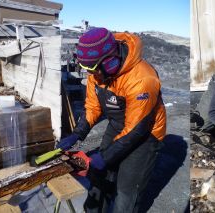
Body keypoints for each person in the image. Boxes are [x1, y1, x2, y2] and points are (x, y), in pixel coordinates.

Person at [57, 27, 166, 212]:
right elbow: (93, 107)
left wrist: (106, 157)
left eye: (92, 69)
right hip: (118, 126)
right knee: (99, 177)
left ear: (109, 62)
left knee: (126, 191)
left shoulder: (142, 79)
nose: (91, 74)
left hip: (146, 135)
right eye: (86, 69)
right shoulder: (96, 74)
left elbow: (136, 130)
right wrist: (77, 134)